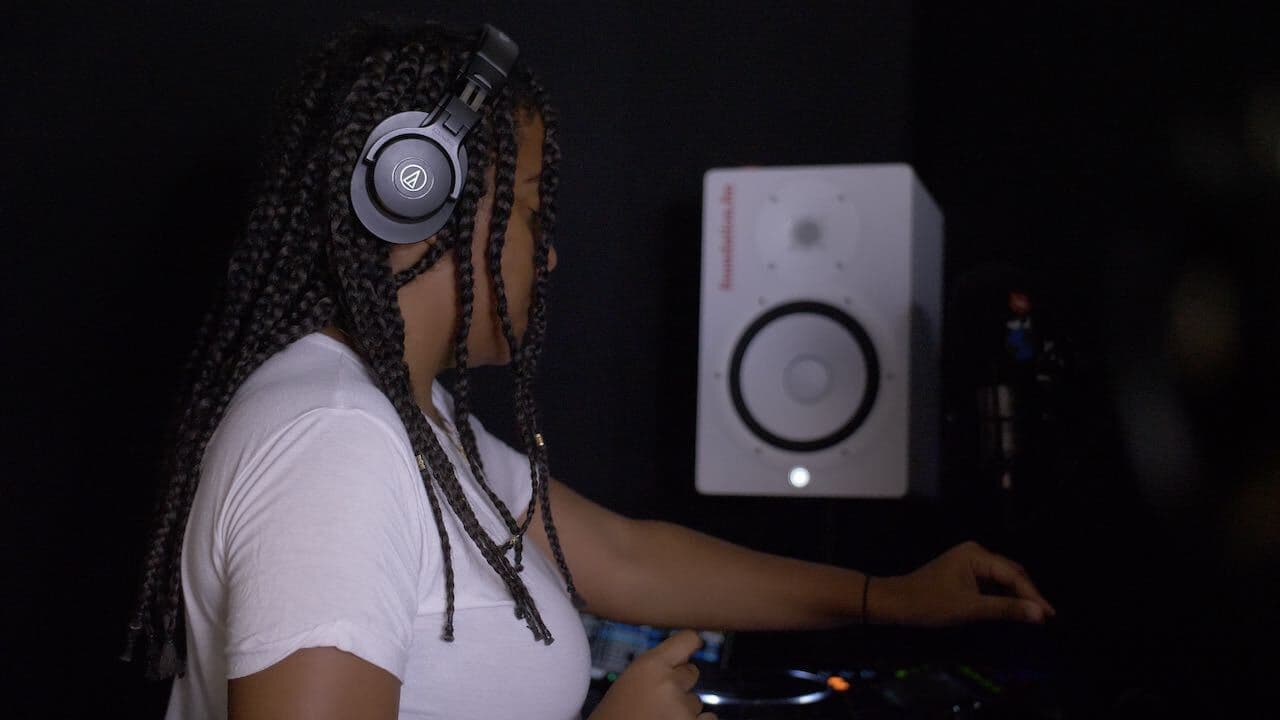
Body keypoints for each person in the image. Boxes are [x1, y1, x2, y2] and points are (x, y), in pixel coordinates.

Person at [120, 17, 1056, 720]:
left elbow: (622, 555)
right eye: (531, 211)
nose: (550, 253)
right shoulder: (335, 445)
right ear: (420, 193)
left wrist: (889, 600)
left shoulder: (409, 421)